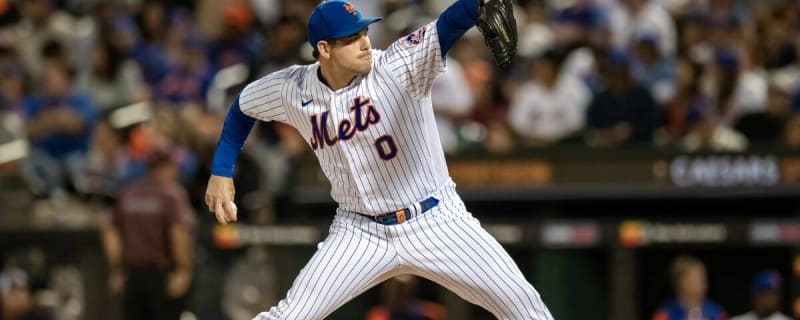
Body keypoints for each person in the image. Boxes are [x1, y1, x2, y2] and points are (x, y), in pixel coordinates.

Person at [204, 1, 554, 319]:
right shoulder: (293, 88)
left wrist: (476, 4)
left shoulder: (397, 65)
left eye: (364, 32)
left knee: (525, 307)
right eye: (351, 38)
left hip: (435, 220)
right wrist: (221, 171)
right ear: (324, 49)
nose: (365, 42)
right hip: (358, 231)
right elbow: (242, 107)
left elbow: (446, 25)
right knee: (290, 315)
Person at [101, 148, 194, 320]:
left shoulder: (128, 192)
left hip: (132, 276)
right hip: (161, 277)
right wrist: (183, 270)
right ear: (164, 167)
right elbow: (178, 233)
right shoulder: (172, 194)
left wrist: (116, 269)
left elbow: (110, 232)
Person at [652, 255, 727, 320]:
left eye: (701, 281)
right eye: (691, 283)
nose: (697, 288)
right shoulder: (664, 313)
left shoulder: (716, 312)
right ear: (678, 284)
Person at [365, 275, 446, 320]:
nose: (400, 293)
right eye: (397, 289)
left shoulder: (426, 311)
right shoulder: (379, 315)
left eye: (404, 289)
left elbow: (439, 313)